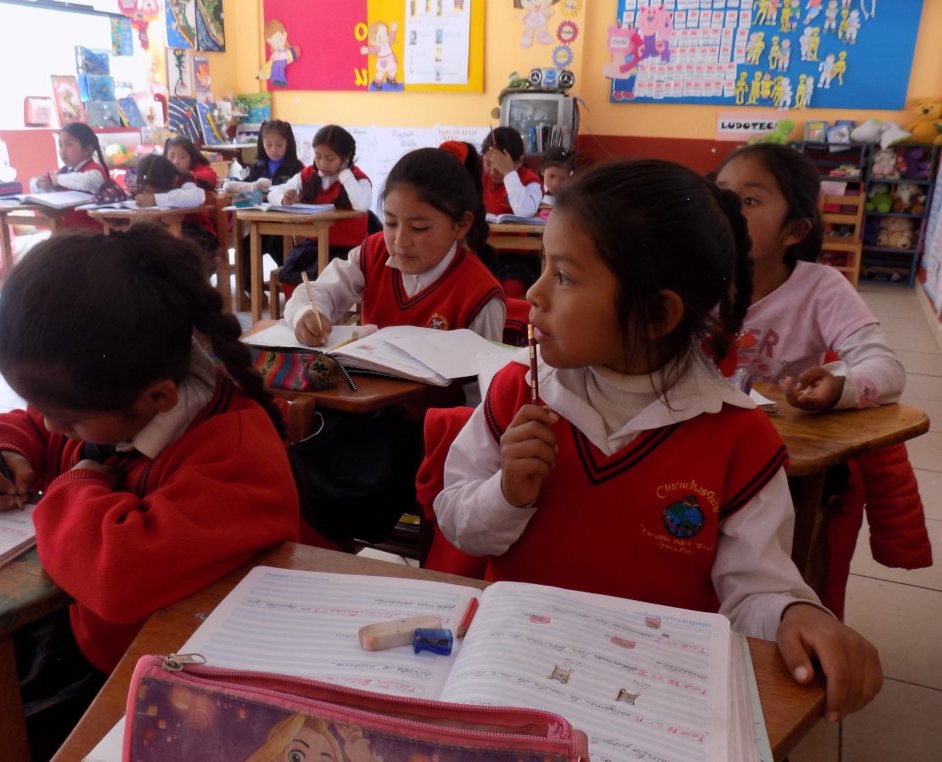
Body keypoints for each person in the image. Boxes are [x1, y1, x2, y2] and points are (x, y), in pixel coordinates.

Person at [434, 160, 882, 724]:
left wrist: (795, 613)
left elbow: (755, 591)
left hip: (648, 698)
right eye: (544, 265)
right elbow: (457, 522)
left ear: (655, 315)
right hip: (512, 670)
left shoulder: (738, 439)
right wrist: (507, 493)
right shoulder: (517, 391)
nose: (535, 294)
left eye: (565, 276)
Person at [0, 225, 300, 762]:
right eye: (41, 407)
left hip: (150, 678)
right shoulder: (106, 393)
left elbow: (116, 572)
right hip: (75, 630)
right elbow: (32, 426)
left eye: (67, 419)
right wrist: (0, 452)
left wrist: (78, 482)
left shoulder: (234, 458)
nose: (51, 425)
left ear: (158, 398)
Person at [715, 143, 930, 616]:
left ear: (795, 230)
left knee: (773, 588)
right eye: (720, 196)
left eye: (748, 200)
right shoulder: (690, 282)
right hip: (703, 454)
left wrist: (839, 386)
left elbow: (887, 369)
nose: (727, 211)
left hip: (784, 470)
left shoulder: (820, 288)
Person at [285, 142, 505, 345]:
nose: (400, 241)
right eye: (390, 223)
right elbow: (321, 292)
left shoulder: (480, 296)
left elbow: (484, 373)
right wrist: (306, 313)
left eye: (419, 228)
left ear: (461, 225)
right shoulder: (374, 252)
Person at [268, 124, 373, 291]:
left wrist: (345, 174)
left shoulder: (357, 178)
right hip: (315, 246)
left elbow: (362, 205)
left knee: (323, 278)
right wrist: (284, 199)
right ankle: (299, 308)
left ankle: (320, 307)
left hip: (348, 250)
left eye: (330, 159)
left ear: (345, 157)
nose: (322, 164)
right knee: (291, 272)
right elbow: (273, 192)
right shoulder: (308, 175)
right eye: (318, 156)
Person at [224, 120, 306, 275]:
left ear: (288, 144)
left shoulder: (296, 168)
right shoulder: (257, 167)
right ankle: (251, 288)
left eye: (279, 145)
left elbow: (303, 192)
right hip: (260, 223)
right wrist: (230, 183)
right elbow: (240, 182)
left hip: (285, 226)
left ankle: (287, 282)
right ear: (262, 144)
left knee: (278, 245)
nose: (274, 150)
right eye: (269, 145)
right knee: (245, 247)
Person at [481, 126, 543, 298]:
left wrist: (509, 173)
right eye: (488, 163)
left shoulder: (529, 181)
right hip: (484, 251)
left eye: (499, 166)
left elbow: (524, 211)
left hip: (517, 257)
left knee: (509, 292)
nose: (492, 172)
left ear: (519, 162)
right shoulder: (480, 178)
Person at [134, 154, 218, 268]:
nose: (148, 194)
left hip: (199, 238)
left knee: (167, 247)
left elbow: (197, 197)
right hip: (163, 235)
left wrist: (155, 199)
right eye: (147, 191)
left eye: (157, 191)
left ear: (174, 180)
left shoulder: (185, 181)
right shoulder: (145, 186)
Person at [30, 121, 108, 229]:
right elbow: (41, 189)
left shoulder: (95, 172)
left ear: (88, 149)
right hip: (66, 231)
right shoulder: (65, 172)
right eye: (60, 145)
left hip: (90, 234)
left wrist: (57, 179)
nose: (62, 151)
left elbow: (85, 182)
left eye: (69, 145)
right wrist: (41, 184)